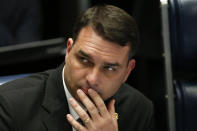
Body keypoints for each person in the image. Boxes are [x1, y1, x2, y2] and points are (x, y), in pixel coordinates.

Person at [0, 4, 154, 131]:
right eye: (85, 60)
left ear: (127, 71)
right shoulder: (10, 105)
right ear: (68, 50)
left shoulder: (138, 110)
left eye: (109, 68)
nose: (92, 79)